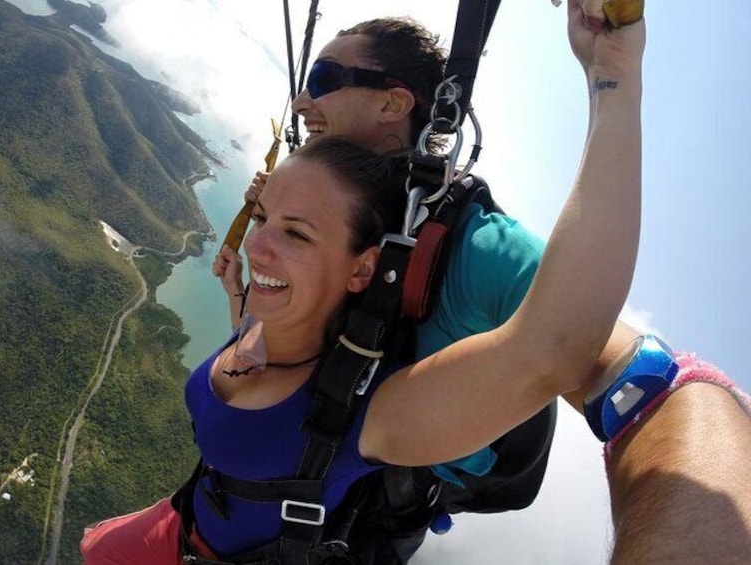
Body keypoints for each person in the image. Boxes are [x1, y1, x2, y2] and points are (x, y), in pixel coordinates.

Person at [212, 1, 751, 562]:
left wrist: (612, 72)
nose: (301, 102)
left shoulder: (472, 246)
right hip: (246, 486)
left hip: (341, 529)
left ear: (394, 103)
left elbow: (635, 379)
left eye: (322, 81)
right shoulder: (328, 218)